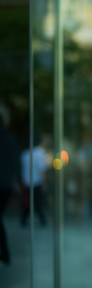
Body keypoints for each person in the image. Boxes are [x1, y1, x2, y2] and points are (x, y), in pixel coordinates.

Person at [0, 113, 21, 265]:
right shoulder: (11, 139)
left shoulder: (9, 138)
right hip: (6, 184)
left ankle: (5, 253)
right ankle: (5, 253)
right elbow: (16, 163)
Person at [21, 133, 48, 227]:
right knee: (37, 203)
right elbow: (42, 169)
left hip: (27, 182)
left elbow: (23, 170)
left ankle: (24, 220)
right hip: (36, 182)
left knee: (29, 202)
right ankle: (42, 220)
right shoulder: (40, 153)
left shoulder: (24, 154)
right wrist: (44, 183)